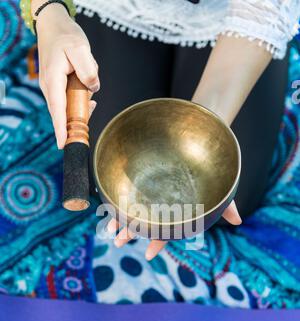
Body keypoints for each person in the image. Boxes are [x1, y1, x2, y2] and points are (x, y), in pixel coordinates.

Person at [23, 0, 300, 260]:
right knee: (113, 177)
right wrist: (51, 13)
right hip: (117, 7)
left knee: (230, 197)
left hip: (229, 12)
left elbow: (263, 8)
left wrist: (201, 130)